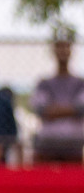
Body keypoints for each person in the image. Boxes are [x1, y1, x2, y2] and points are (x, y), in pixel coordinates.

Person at [31, 33, 84, 165]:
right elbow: (40, 110)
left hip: (74, 143)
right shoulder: (44, 83)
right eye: (59, 47)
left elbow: (81, 109)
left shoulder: (80, 83)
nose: (63, 51)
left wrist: (54, 110)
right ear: (54, 51)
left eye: (66, 47)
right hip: (47, 143)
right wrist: (70, 109)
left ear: (71, 51)